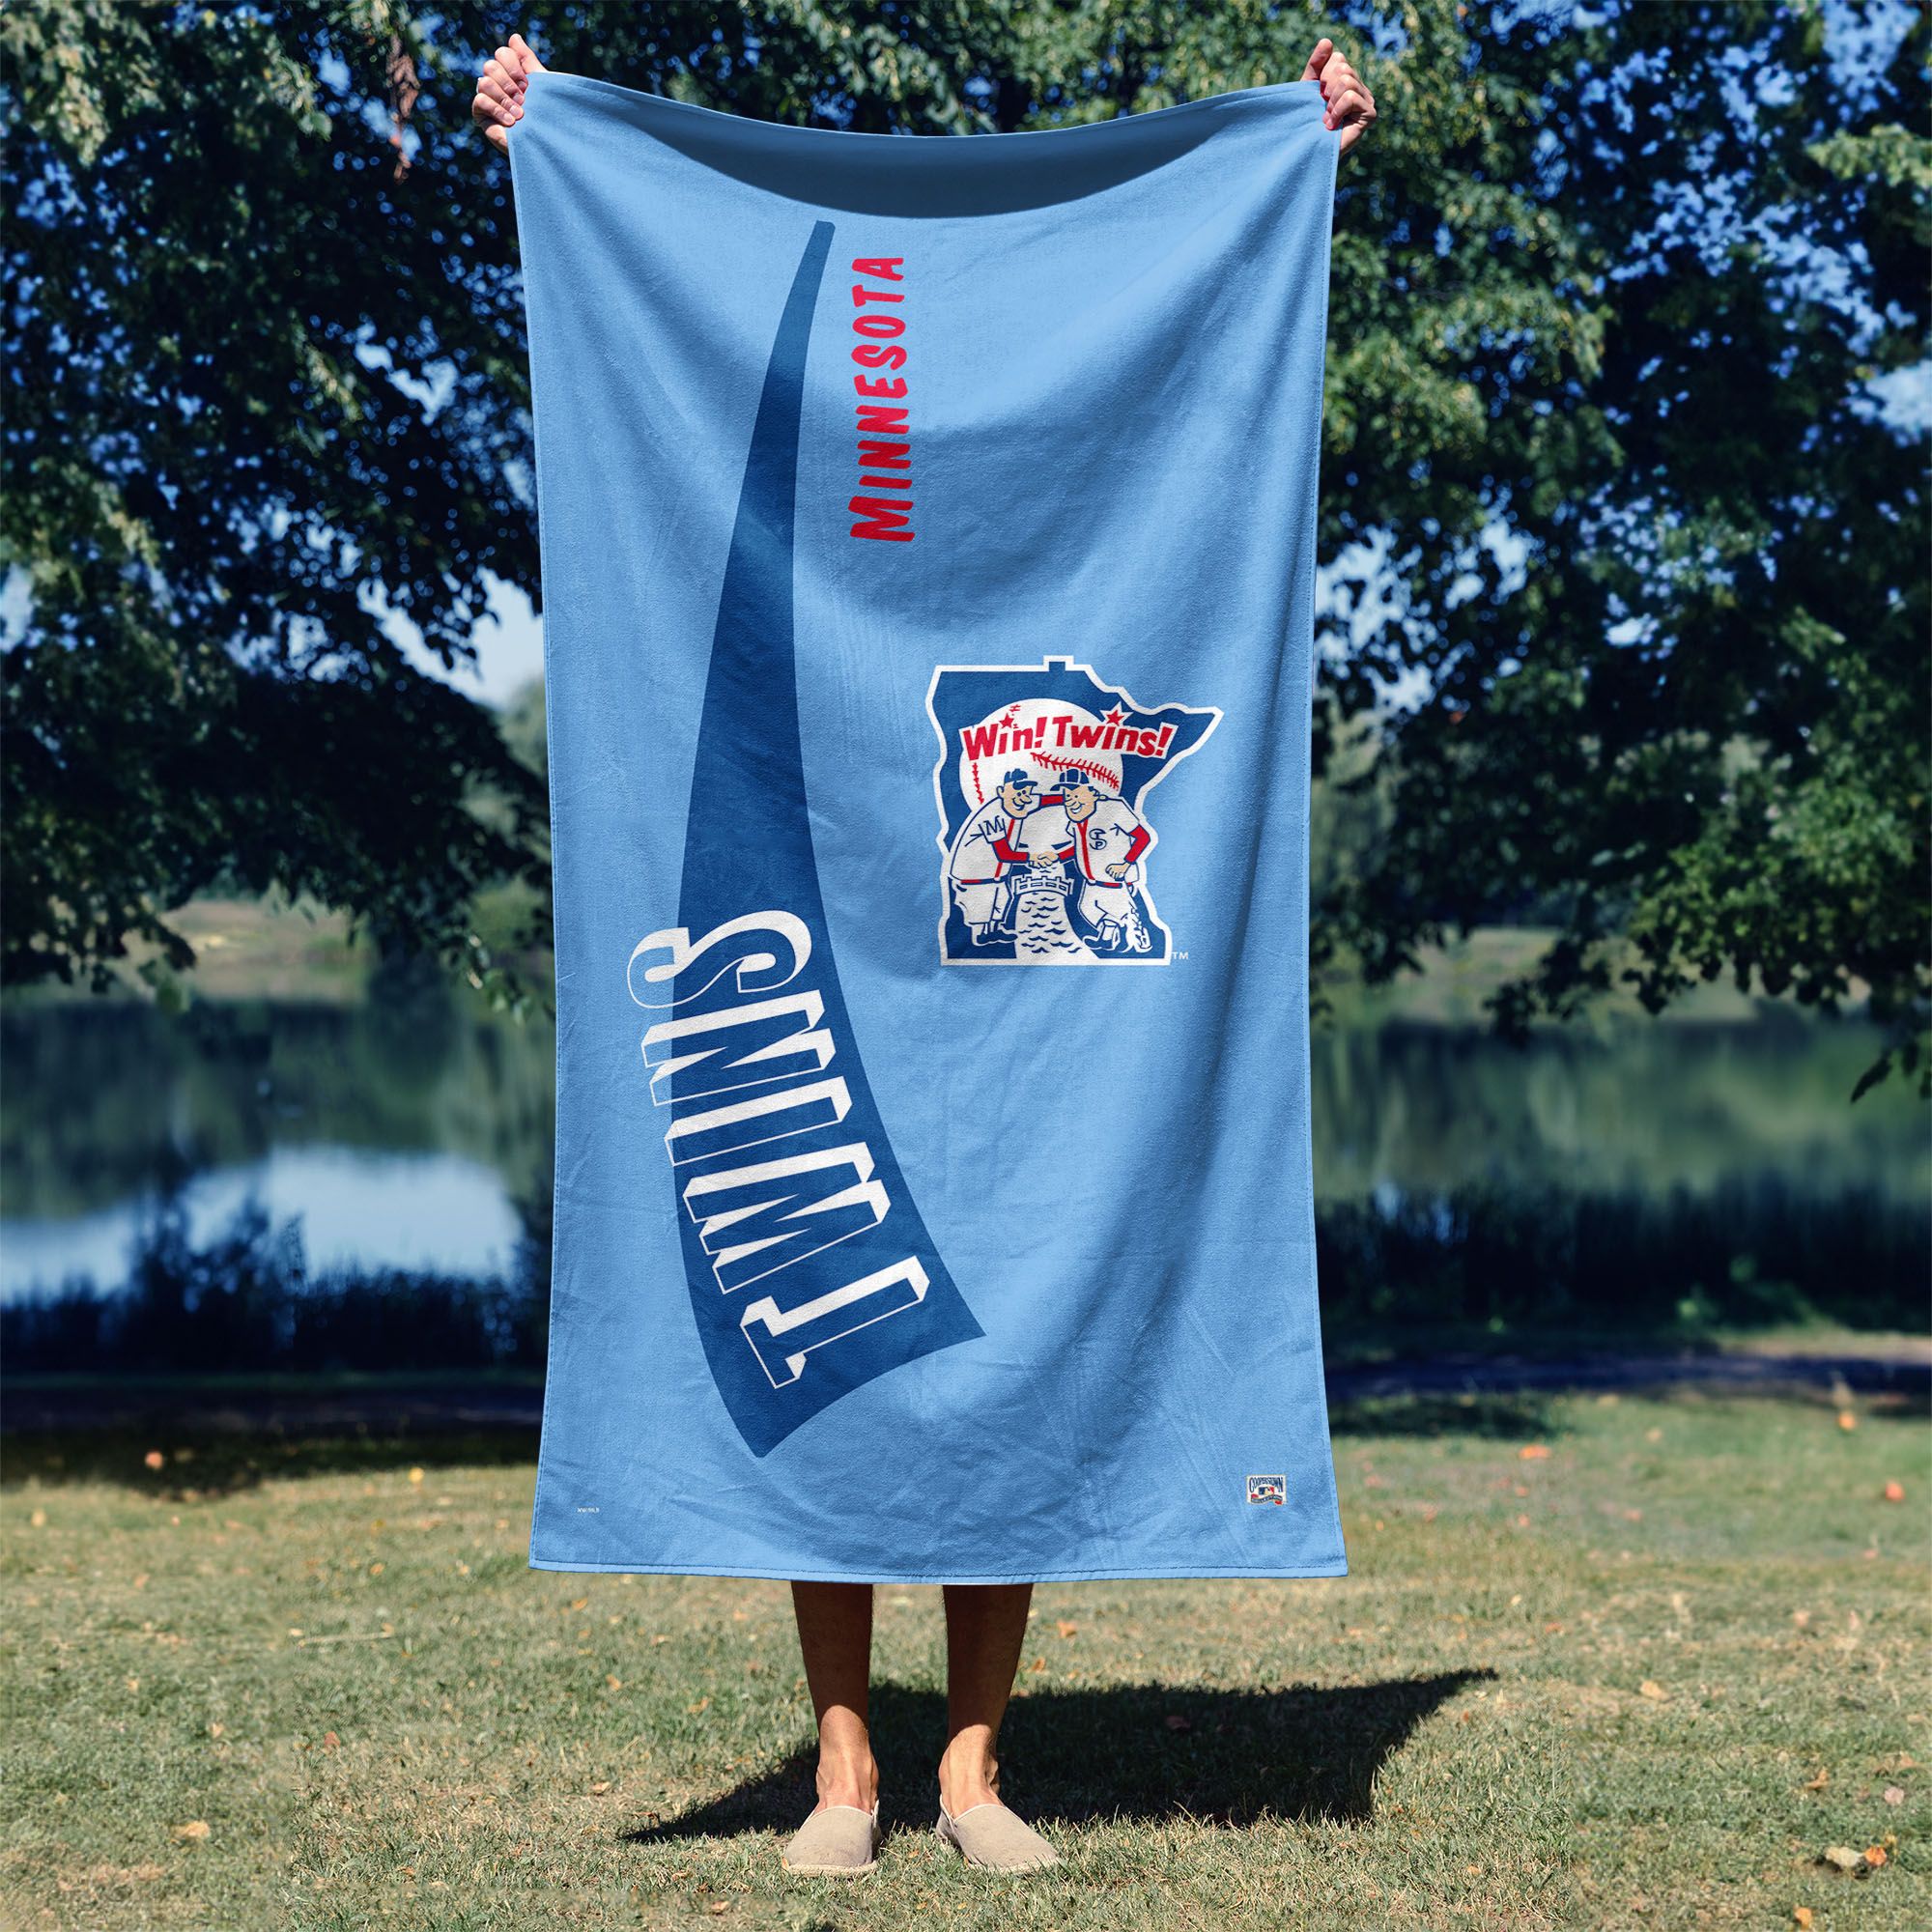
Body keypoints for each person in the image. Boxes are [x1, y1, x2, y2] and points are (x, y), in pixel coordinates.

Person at [472, 27, 1377, 1879]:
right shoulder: (768, 318)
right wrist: (547, 136)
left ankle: (970, 1771)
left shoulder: (1071, 358)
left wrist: (1299, 153)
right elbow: (645, 262)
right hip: (824, 898)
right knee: (830, 1321)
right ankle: (844, 1773)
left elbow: (1195, 294)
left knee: (1018, 1339)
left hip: (1026, 984)